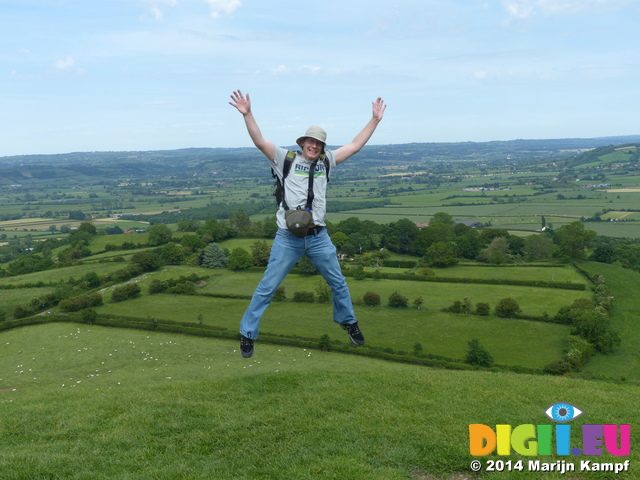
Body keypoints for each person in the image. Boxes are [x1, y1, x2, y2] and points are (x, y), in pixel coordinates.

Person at [229, 90, 386, 358]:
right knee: (268, 287)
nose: (314, 146)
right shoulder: (285, 159)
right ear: (303, 143)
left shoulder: (328, 162)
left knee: (338, 282)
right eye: (311, 142)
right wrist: (248, 114)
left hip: (318, 238)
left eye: (319, 143)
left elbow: (355, 145)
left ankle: (348, 322)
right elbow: (259, 141)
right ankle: (247, 333)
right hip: (287, 239)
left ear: (323, 147)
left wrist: (374, 120)